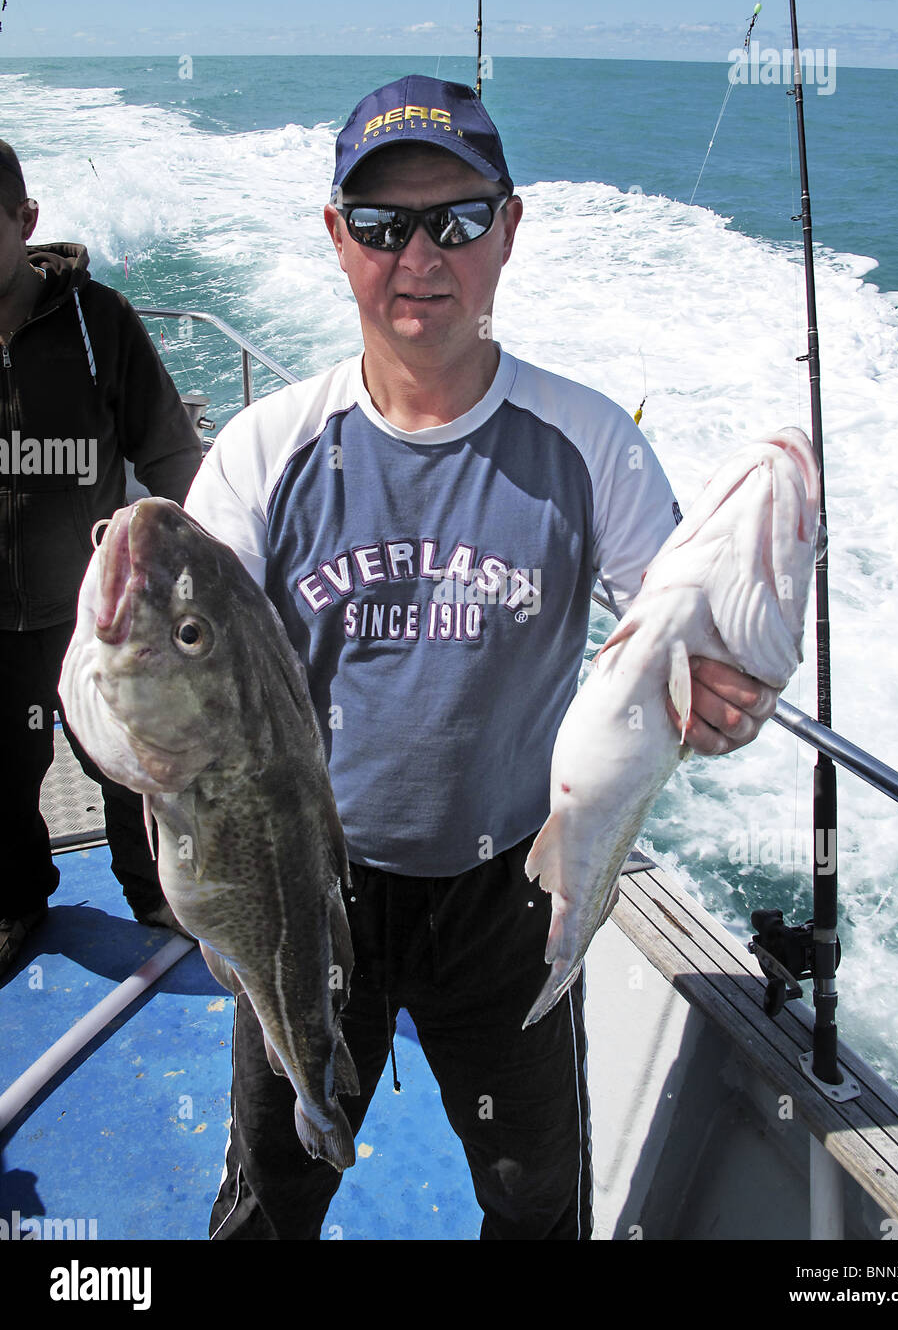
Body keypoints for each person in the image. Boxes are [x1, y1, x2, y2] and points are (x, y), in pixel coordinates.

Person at [184, 75, 779, 1240]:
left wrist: (723, 694)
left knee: (530, 1191)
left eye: (457, 219)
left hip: (511, 894)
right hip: (309, 884)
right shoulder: (263, 453)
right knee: (272, 1186)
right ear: (335, 239)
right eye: (381, 224)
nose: (420, 255)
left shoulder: (590, 444)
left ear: (509, 230)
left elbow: (675, 638)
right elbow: (178, 679)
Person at [0, 139, 203, 979]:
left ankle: (154, 892)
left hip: (95, 613)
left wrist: (195, 575)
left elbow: (170, 452)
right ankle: (15, 901)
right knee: (4, 772)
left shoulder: (100, 321)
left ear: (26, 220)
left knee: (128, 762)